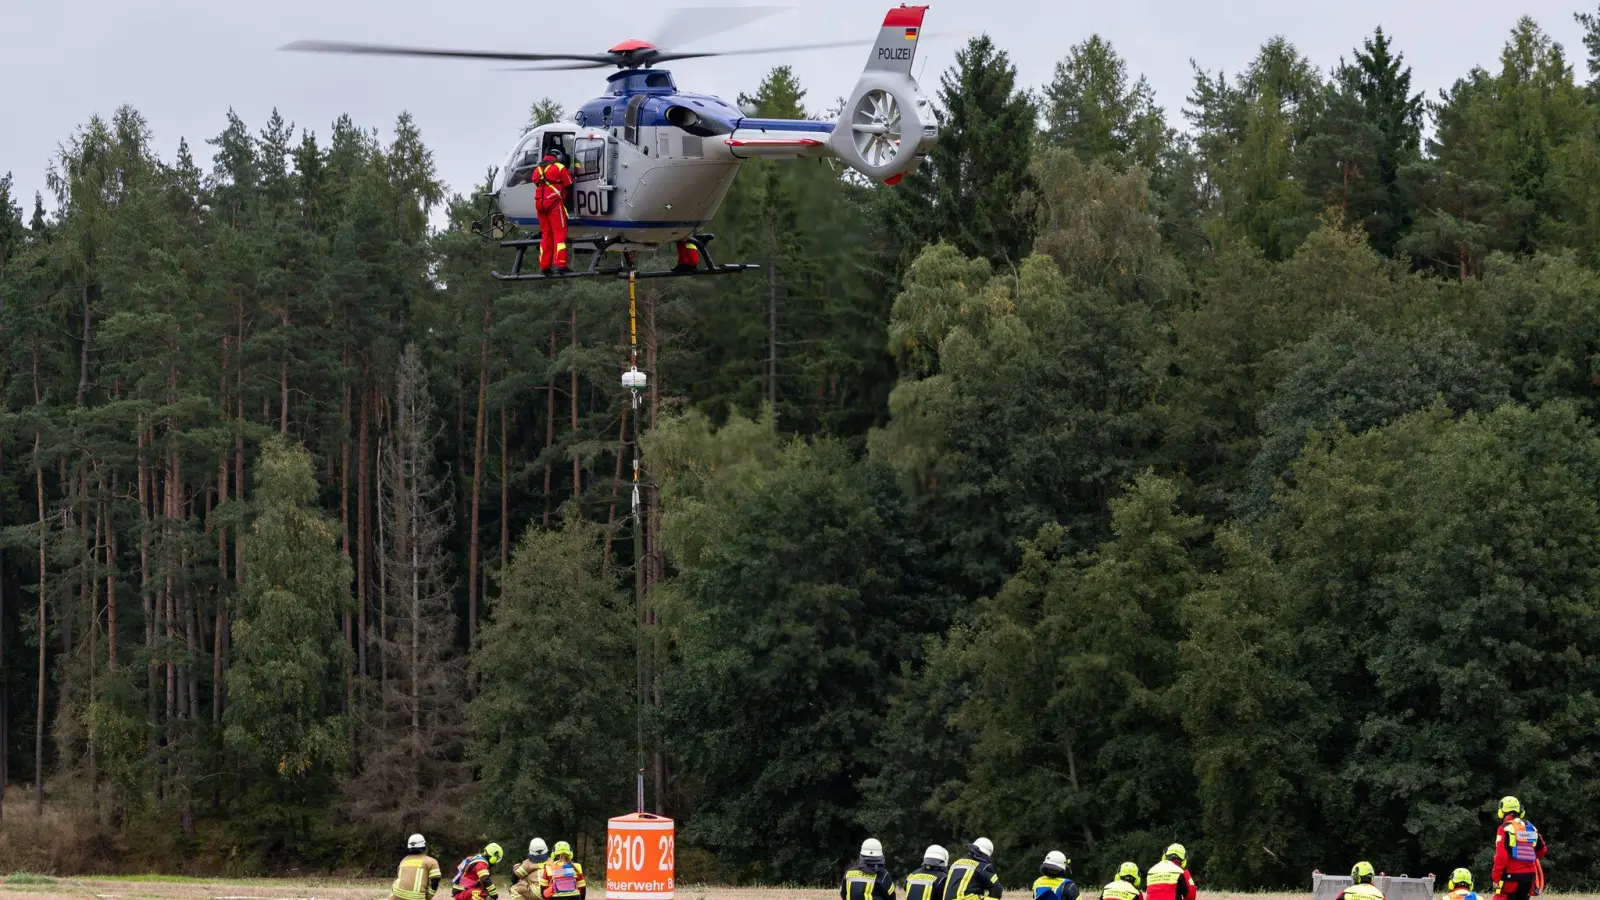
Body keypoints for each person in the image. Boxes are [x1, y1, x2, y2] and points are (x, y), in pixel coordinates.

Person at [1492, 796, 1547, 900]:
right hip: (1529, 878)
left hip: (1511, 877)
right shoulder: (1531, 827)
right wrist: (1527, 857)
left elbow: (1501, 856)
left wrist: (1496, 877)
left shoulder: (1504, 828)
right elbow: (1542, 850)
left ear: (1502, 811)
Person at [533, 150, 574, 276]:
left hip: (540, 205)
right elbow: (569, 184)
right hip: (554, 205)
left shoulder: (537, 170)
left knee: (546, 235)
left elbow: (535, 182)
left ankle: (544, 266)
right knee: (560, 233)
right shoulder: (560, 167)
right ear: (559, 158)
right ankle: (561, 264)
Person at [393, 834, 443, 900]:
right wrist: (429, 896)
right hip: (417, 897)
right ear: (425, 846)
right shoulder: (431, 862)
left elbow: (400, 876)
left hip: (397, 894)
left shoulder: (404, 860)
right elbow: (435, 880)